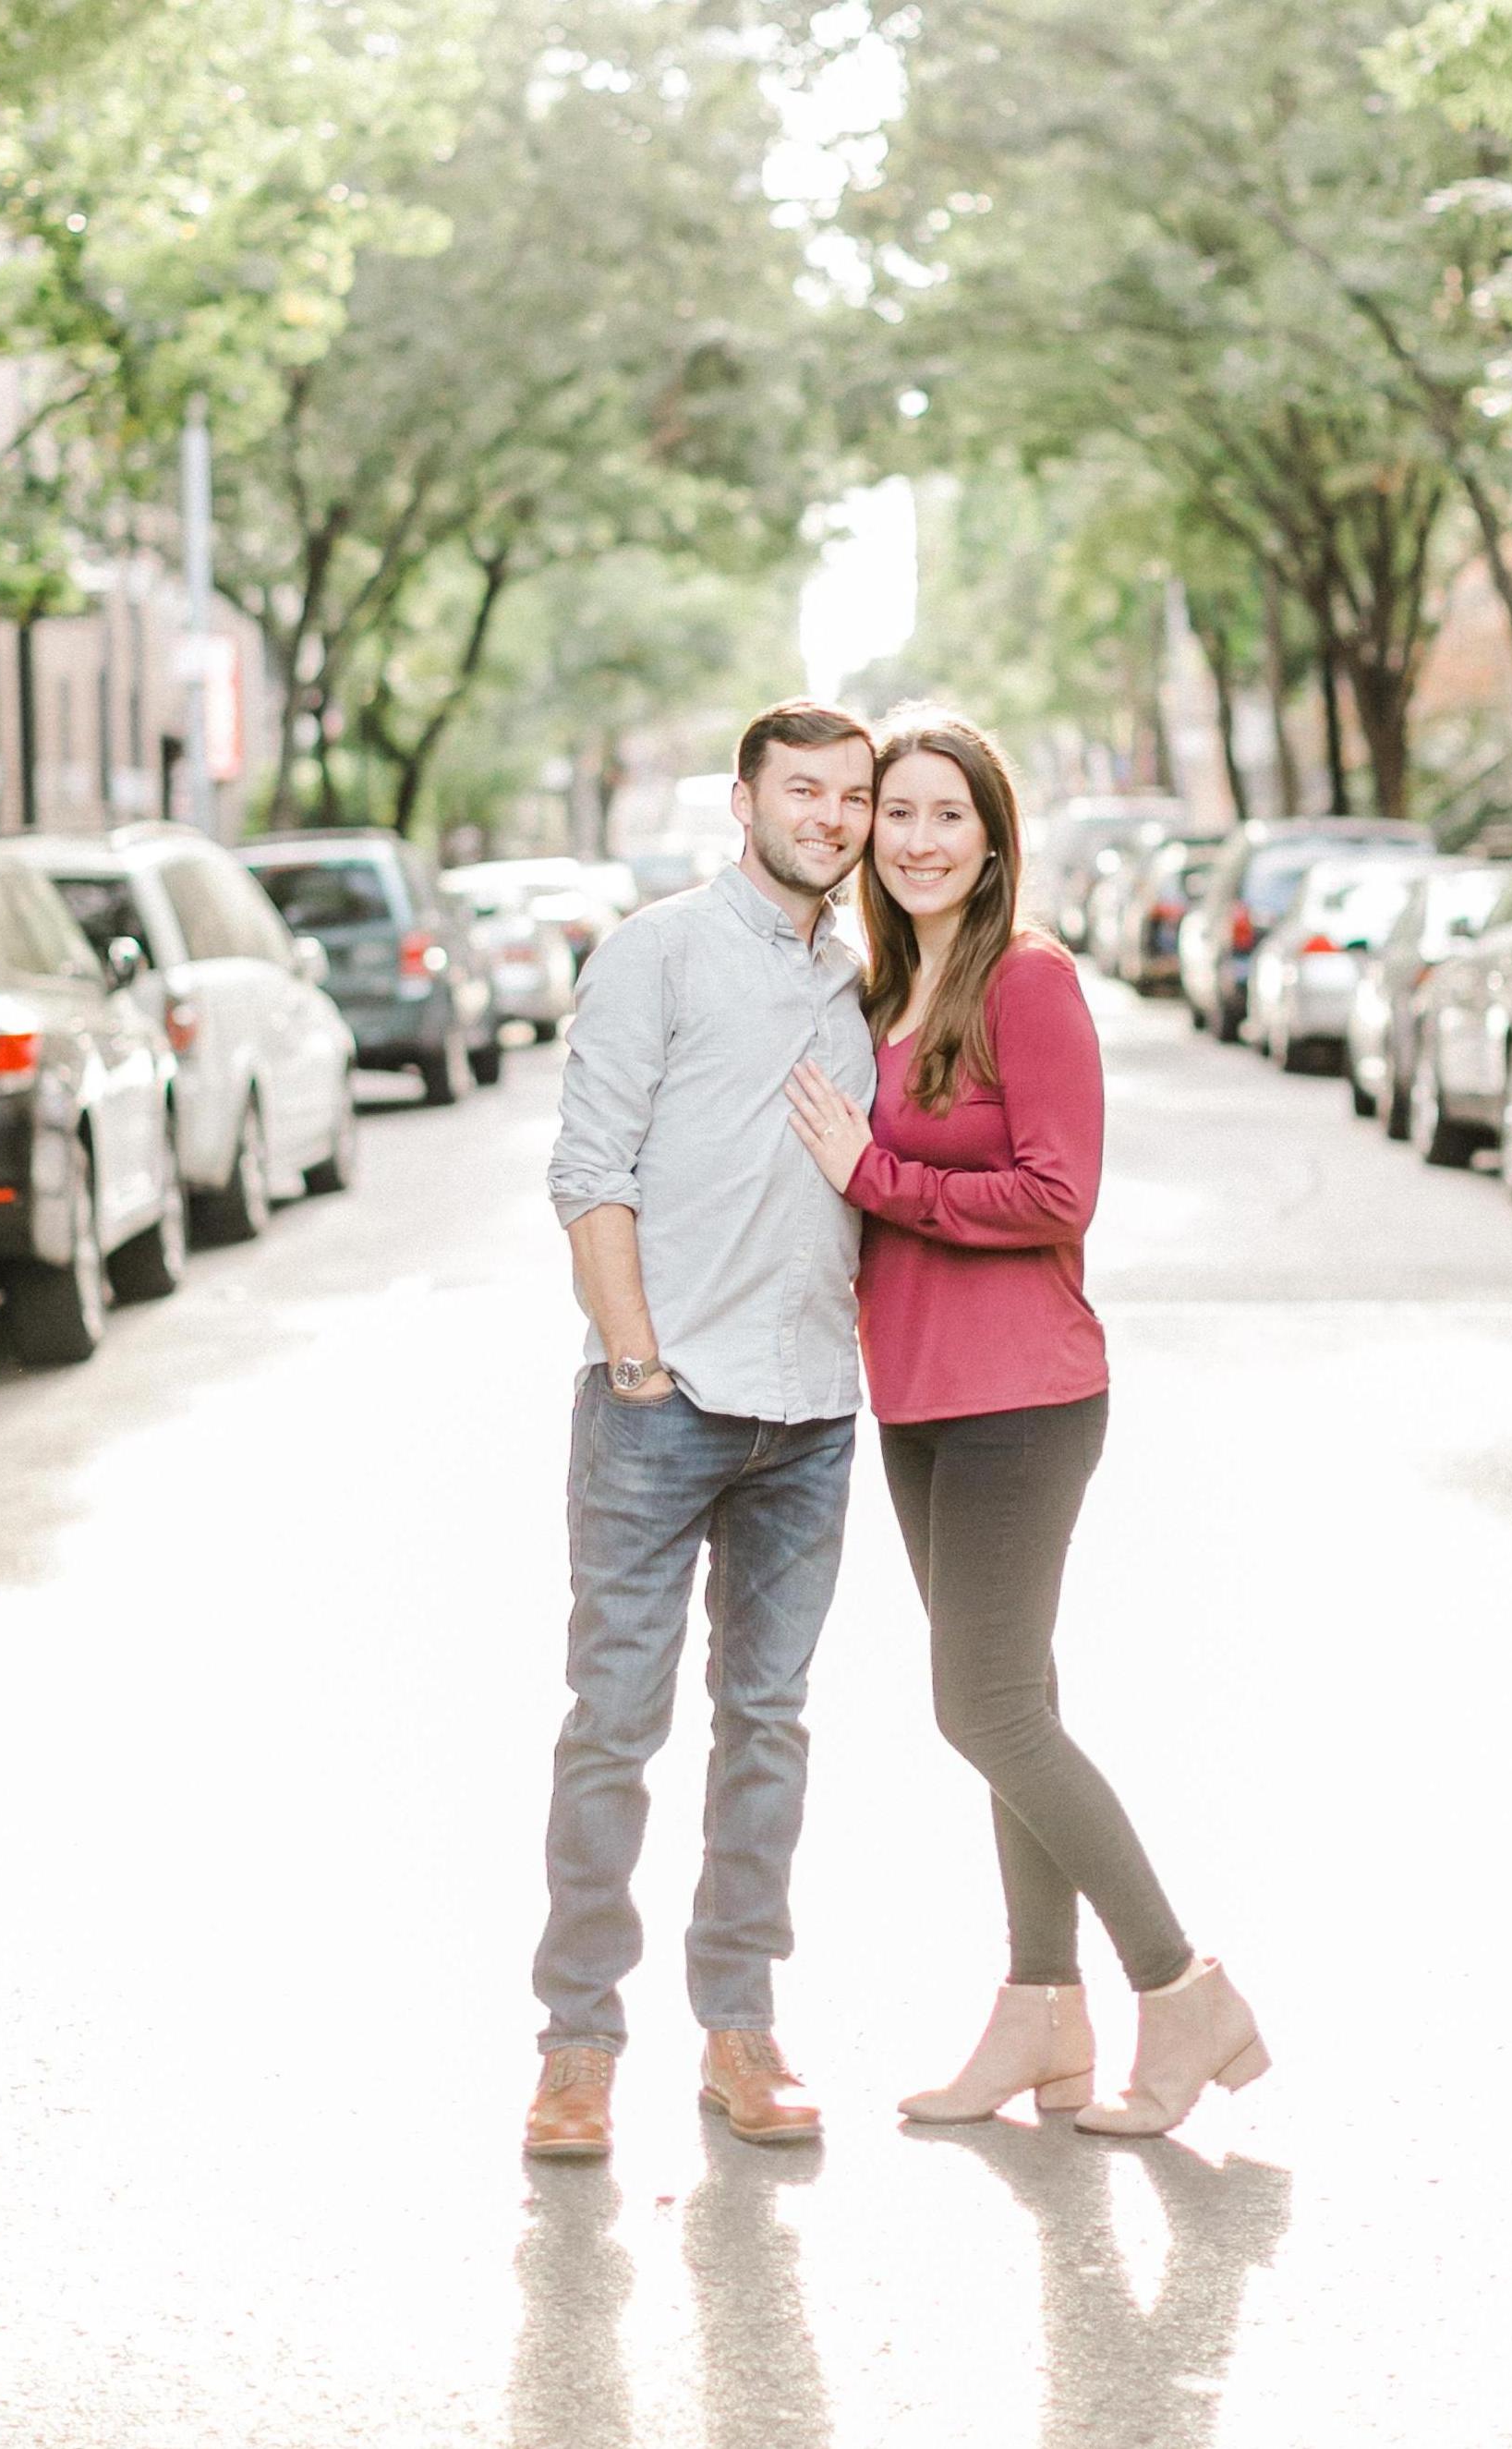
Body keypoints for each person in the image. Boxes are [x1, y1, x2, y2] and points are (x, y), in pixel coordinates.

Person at [784, 709, 1268, 2139]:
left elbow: (1061, 1194)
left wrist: (880, 1178)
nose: (920, 839)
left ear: (994, 842)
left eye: (949, 815)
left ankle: (1179, 1988)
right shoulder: (878, 995)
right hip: (919, 1395)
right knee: (1015, 1714)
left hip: (1025, 1396)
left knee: (981, 1705)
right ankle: (1041, 2016)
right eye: (901, 813)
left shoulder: (1032, 984)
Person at [527, 699, 878, 2161]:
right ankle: (576, 2044)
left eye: (855, 796)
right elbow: (588, 1169)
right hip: (660, 1411)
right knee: (615, 1725)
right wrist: (633, 1362)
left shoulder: (865, 977)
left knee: (770, 1728)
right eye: (806, 791)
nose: (837, 819)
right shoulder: (658, 951)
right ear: (744, 800)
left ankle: (740, 2025)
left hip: (811, 1415)